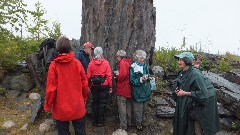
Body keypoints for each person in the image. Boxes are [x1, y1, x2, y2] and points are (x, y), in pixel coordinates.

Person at [44, 36, 89, 135]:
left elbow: (51, 89)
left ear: (57, 48)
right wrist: (84, 98)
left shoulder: (54, 65)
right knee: (80, 132)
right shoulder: (77, 63)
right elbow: (85, 84)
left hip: (61, 108)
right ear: (70, 48)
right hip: (77, 106)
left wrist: (48, 106)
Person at [173, 52, 220, 135]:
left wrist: (185, 93)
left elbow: (203, 94)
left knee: (197, 125)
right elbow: (182, 83)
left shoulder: (196, 74)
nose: (179, 62)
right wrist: (177, 90)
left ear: (187, 61)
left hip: (205, 102)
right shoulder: (182, 72)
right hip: (189, 100)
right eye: (178, 60)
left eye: (181, 60)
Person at [87, 47, 112, 127]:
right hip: (104, 85)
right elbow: (109, 75)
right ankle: (100, 122)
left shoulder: (91, 63)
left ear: (94, 53)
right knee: (102, 103)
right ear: (102, 53)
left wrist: (88, 85)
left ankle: (95, 121)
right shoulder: (106, 63)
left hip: (94, 85)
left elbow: (88, 76)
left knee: (95, 103)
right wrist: (110, 86)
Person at [130, 50, 153, 131]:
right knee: (138, 110)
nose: (142, 60)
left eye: (143, 58)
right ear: (137, 57)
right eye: (140, 58)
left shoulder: (145, 66)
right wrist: (140, 79)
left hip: (145, 91)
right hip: (137, 92)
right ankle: (138, 124)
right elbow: (132, 80)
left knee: (144, 108)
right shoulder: (133, 67)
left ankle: (142, 121)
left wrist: (150, 78)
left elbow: (147, 74)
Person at [114, 50, 132, 130]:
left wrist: (117, 76)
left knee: (122, 108)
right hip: (128, 89)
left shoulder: (122, 63)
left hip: (122, 89)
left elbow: (122, 75)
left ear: (120, 56)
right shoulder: (128, 62)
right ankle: (129, 123)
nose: (117, 58)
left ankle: (123, 126)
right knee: (128, 107)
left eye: (117, 56)